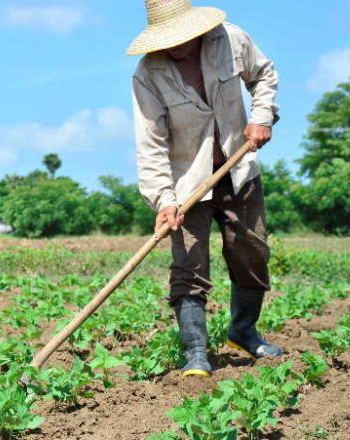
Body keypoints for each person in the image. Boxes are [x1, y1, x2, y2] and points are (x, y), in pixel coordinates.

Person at [128, 0, 282, 378]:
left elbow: (264, 75)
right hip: (186, 185)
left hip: (238, 167)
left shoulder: (230, 41)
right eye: (168, 39)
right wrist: (164, 200)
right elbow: (150, 143)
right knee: (189, 264)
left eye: (180, 37)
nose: (175, 45)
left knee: (251, 253)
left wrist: (262, 117)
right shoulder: (148, 74)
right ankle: (196, 352)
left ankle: (243, 333)